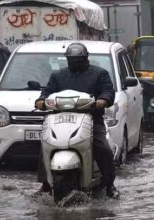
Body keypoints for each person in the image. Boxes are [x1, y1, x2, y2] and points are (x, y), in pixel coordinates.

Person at [34, 42, 119, 198]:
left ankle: (109, 184)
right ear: (67, 60)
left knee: (103, 147)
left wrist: (103, 100)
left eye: (78, 59)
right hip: (60, 119)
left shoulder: (100, 74)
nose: (75, 62)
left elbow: (108, 91)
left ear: (86, 58)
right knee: (45, 144)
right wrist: (41, 101)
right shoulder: (58, 76)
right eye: (71, 60)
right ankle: (45, 183)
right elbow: (47, 92)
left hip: (91, 118)